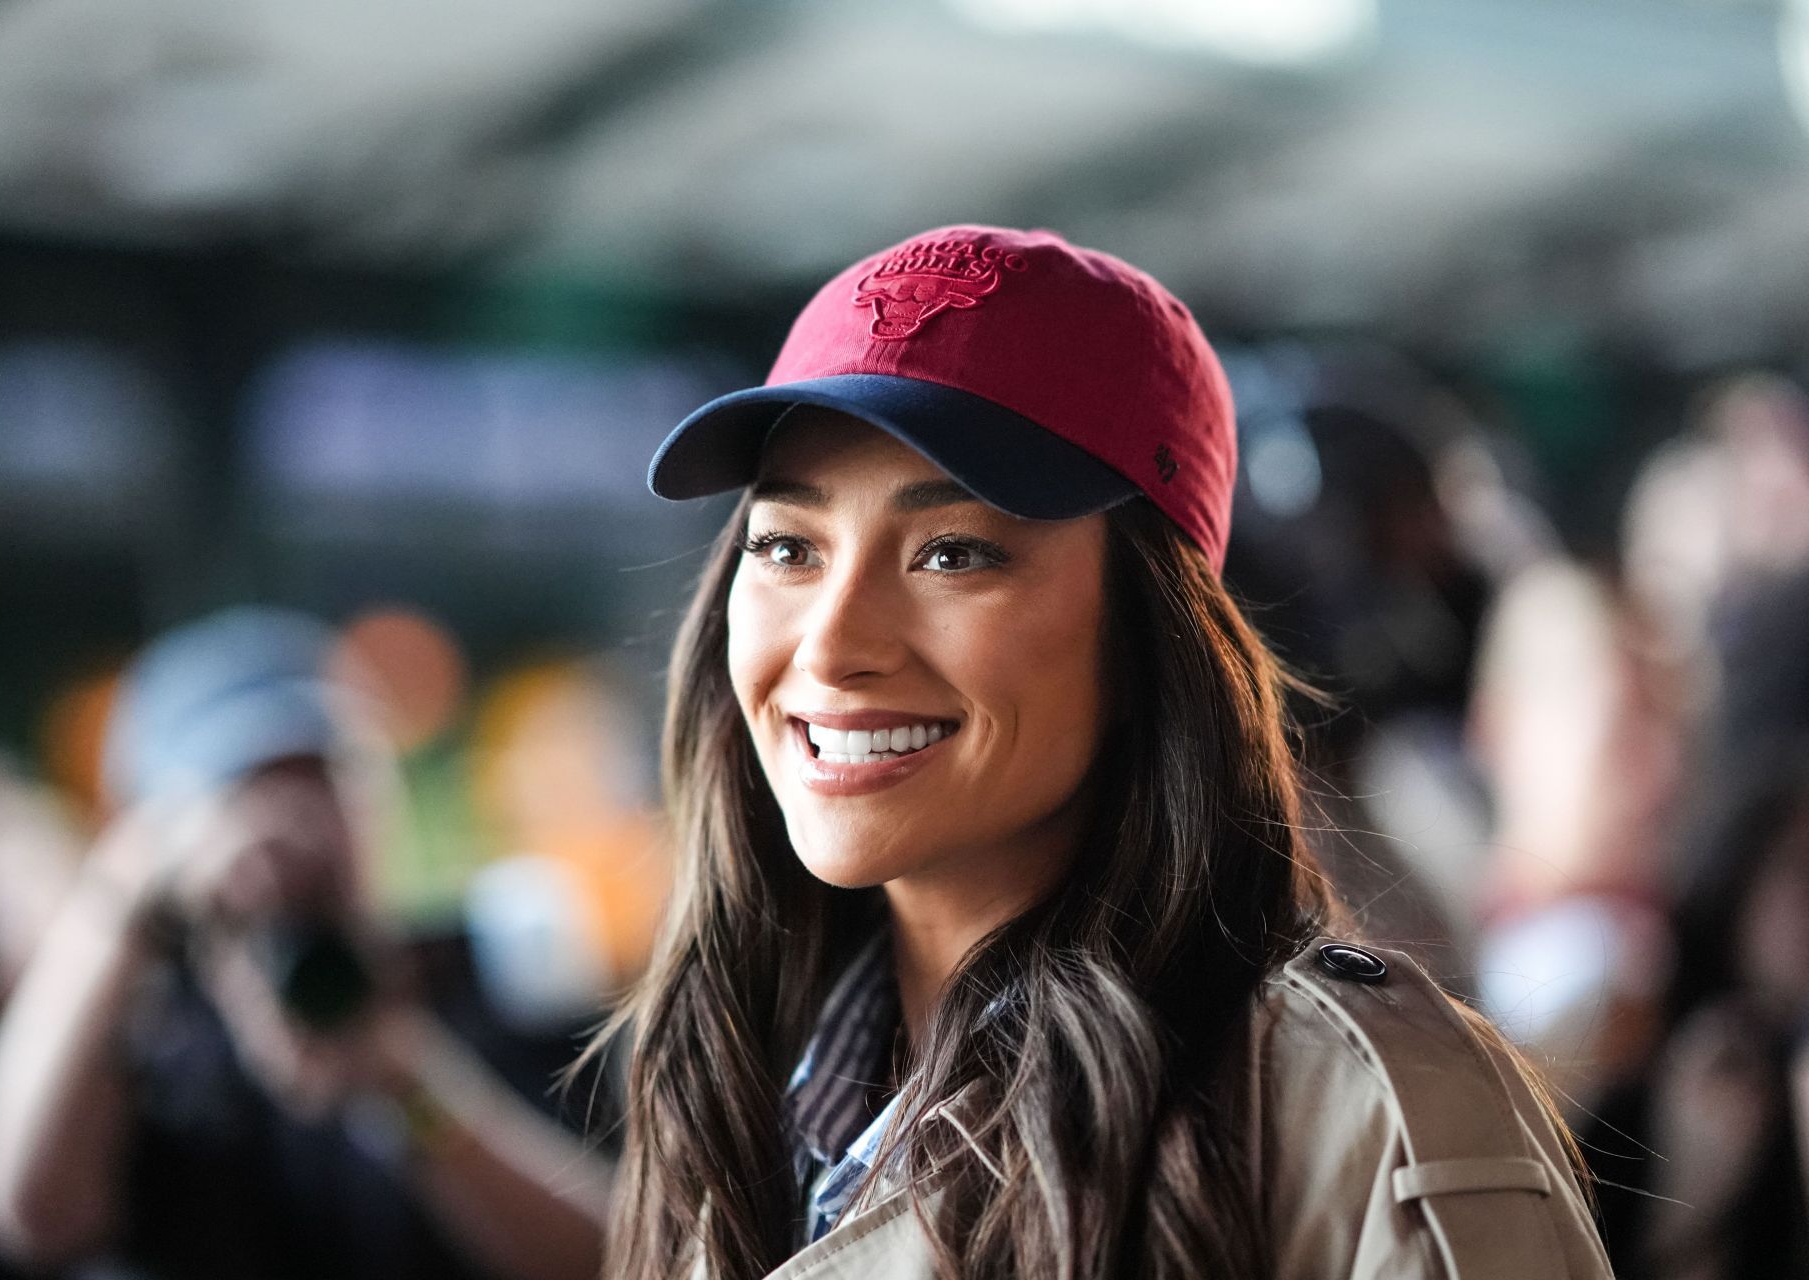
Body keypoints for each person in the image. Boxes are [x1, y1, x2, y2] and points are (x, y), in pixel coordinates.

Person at [580, 225, 1614, 1278]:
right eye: (787, 546)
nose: (835, 645)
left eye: (954, 552)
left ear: (1146, 635)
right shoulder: (728, 1086)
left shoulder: (1363, 1104)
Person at [0, 607, 610, 1280]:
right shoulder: (145, 1029)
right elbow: (31, 1217)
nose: (298, 824)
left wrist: (410, 1089)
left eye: (323, 775)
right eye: (250, 788)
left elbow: (615, 1255)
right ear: (158, 831)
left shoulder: (481, 979)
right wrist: (129, 909)